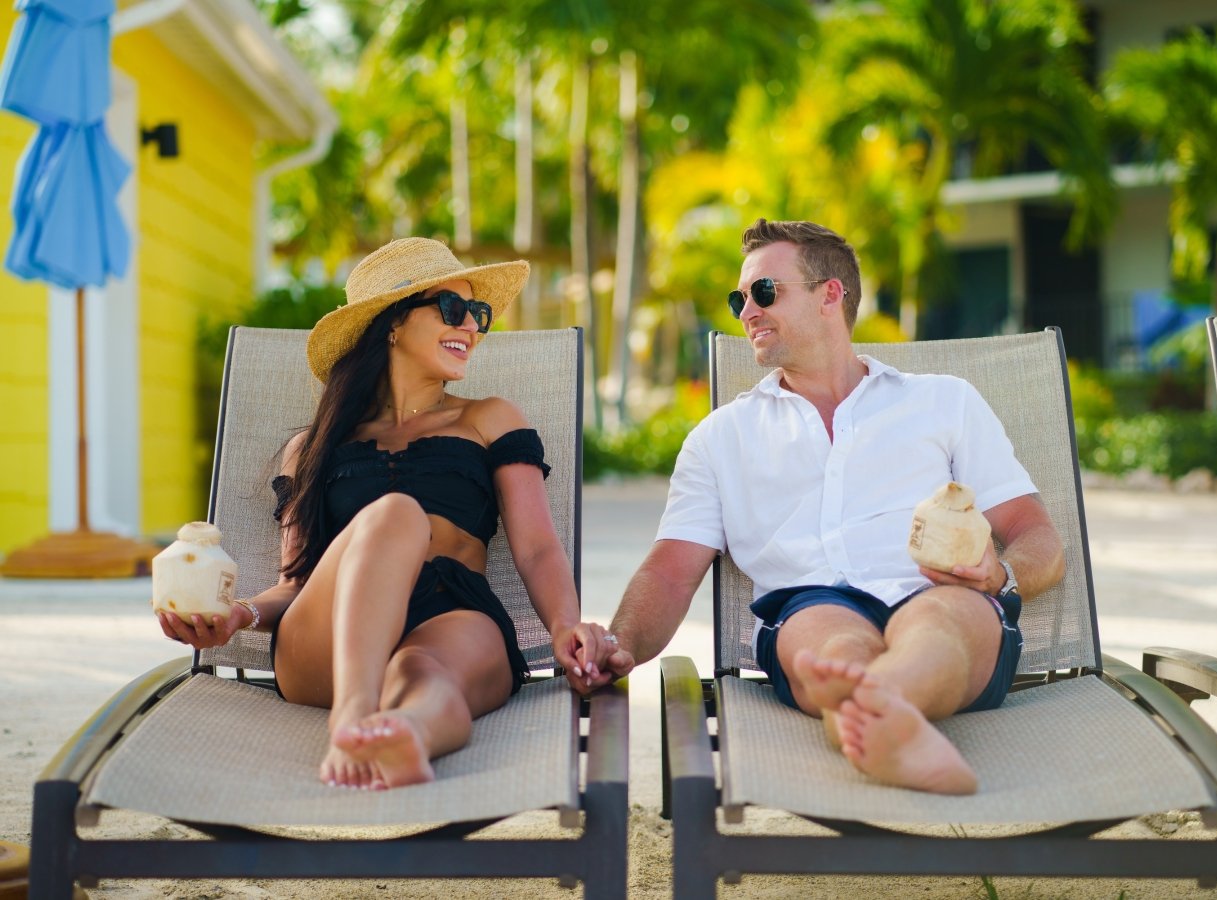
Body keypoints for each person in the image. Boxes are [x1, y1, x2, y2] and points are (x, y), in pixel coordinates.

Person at [593, 219, 1065, 795]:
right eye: (737, 299)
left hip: (943, 594)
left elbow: (1036, 534)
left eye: (765, 292)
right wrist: (619, 647)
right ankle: (886, 724)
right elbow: (669, 572)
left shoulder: (944, 402)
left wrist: (1003, 575)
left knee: (939, 622)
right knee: (829, 640)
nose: (746, 311)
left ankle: (866, 712)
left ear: (830, 295)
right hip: (810, 606)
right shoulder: (720, 437)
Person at [157, 237, 613, 791]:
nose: (471, 326)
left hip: (450, 610)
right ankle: (351, 717)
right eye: (452, 308)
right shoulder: (316, 445)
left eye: (479, 314)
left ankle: (406, 733)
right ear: (391, 324)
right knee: (396, 513)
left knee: (425, 678)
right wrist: (239, 616)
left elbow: (537, 546)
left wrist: (565, 625)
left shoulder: (490, 418)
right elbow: (296, 581)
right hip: (327, 635)